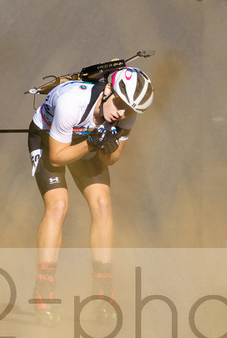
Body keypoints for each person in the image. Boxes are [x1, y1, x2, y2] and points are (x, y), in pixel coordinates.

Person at [27, 66, 154, 322]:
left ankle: (103, 289)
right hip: (50, 140)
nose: (121, 113)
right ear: (108, 90)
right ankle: (44, 288)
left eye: (129, 110)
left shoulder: (125, 114)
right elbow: (58, 157)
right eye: (119, 103)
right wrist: (91, 142)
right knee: (58, 205)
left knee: (102, 204)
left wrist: (107, 145)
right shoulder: (71, 103)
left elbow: (110, 160)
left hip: (87, 140)